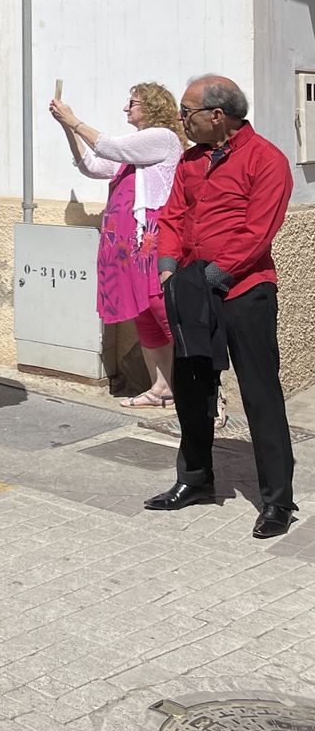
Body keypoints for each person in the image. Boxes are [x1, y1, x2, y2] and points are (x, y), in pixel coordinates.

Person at [145, 75, 296, 539]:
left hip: (243, 291)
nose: (180, 119)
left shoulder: (266, 160)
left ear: (217, 115)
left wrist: (212, 277)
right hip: (190, 288)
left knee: (259, 393)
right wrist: (170, 270)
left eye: (186, 111)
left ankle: (277, 502)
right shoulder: (190, 161)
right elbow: (171, 215)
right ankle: (195, 480)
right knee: (191, 388)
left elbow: (258, 232)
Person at [50, 83, 184, 407]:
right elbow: (93, 165)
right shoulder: (135, 151)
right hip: (126, 245)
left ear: (150, 107)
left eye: (132, 103)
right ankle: (162, 387)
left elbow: (110, 147)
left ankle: (208, 391)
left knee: (159, 307)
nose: (126, 108)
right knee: (143, 314)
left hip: (148, 240)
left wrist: (74, 120)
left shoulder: (162, 137)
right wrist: (68, 129)